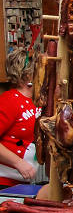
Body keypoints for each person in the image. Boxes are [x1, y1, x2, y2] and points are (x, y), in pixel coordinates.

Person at [0, 49, 39, 187]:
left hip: (23, 183)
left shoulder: (36, 101)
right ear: (28, 75)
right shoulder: (9, 101)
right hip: (4, 184)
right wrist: (18, 163)